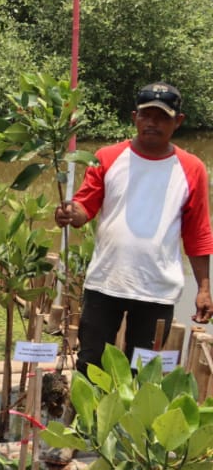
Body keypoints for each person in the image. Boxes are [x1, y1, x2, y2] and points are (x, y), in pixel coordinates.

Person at [55, 82, 213, 375]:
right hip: (106, 283)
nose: (152, 122)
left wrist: (204, 288)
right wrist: (68, 212)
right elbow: (84, 207)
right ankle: (84, 421)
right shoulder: (107, 157)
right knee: (90, 366)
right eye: (146, 115)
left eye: (162, 116)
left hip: (157, 289)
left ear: (178, 121)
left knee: (140, 372)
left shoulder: (192, 168)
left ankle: (126, 423)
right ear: (134, 117)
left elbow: (198, 233)